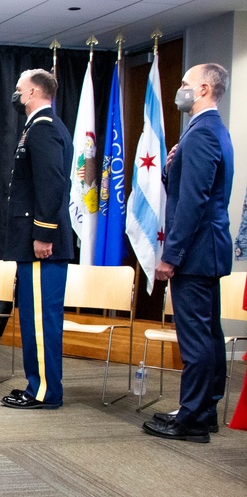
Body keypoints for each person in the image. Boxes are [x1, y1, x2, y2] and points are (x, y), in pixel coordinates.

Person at [143, 63, 234, 443]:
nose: (180, 90)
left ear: (203, 90)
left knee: (196, 339)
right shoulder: (210, 130)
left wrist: (171, 255)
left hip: (195, 252)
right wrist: (169, 168)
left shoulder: (202, 134)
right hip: (207, 250)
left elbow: (193, 203)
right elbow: (191, 188)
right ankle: (205, 410)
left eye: (184, 84)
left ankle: (192, 419)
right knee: (209, 336)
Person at [0, 69, 73, 409]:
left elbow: (51, 184)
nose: (16, 95)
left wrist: (44, 234)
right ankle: (37, 384)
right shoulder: (36, 128)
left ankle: (44, 391)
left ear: (34, 92)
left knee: (41, 320)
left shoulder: (43, 129)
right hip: (33, 241)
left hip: (42, 243)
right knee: (32, 317)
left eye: (19, 89)